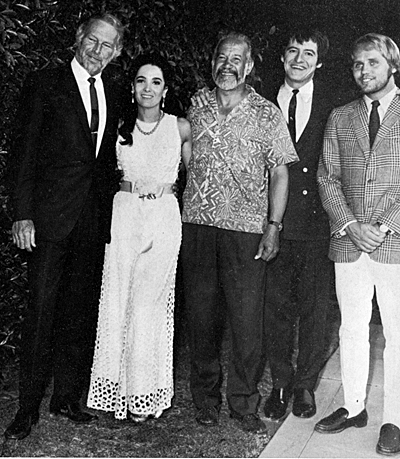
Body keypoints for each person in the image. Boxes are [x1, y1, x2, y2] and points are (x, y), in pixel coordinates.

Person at [5, 14, 128, 440]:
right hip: (49, 221)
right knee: (40, 315)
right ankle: (27, 408)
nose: (97, 52)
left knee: (79, 314)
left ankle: (66, 398)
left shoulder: (114, 90)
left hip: (91, 222)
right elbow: (23, 153)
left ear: (116, 52)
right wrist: (22, 214)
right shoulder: (45, 83)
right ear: (78, 39)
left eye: (107, 46)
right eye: (92, 41)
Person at [181, 32, 298, 434]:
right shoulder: (195, 104)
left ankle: (243, 401)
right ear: (212, 61)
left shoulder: (267, 113)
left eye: (237, 58)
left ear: (249, 66)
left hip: (247, 230)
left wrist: (274, 227)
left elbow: (281, 171)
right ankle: (206, 399)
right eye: (221, 56)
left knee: (247, 321)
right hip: (197, 224)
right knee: (200, 317)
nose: (227, 64)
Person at [87, 53, 191, 421]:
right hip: (125, 212)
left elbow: (193, 179)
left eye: (156, 82)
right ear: (132, 88)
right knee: (118, 300)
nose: (148, 88)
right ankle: (117, 391)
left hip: (163, 213)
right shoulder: (117, 126)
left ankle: (145, 394)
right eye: (142, 81)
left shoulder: (180, 127)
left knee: (149, 304)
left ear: (165, 90)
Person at [315, 33, 400, 456]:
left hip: (394, 242)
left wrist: (382, 226)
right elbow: (326, 178)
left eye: (372, 62)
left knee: (397, 334)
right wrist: (350, 224)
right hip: (349, 243)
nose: (363, 71)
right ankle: (352, 407)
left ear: (392, 65)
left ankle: (393, 419)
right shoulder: (340, 116)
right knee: (352, 327)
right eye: (356, 64)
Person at [262, 29, 335, 421]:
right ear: (282, 58)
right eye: (293, 51)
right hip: (271, 223)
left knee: (314, 309)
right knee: (275, 308)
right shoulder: (260, 104)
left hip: (315, 223)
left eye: (309, 54)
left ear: (319, 62)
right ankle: (279, 384)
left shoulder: (333, 104)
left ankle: (305, 385)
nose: (300, 60)